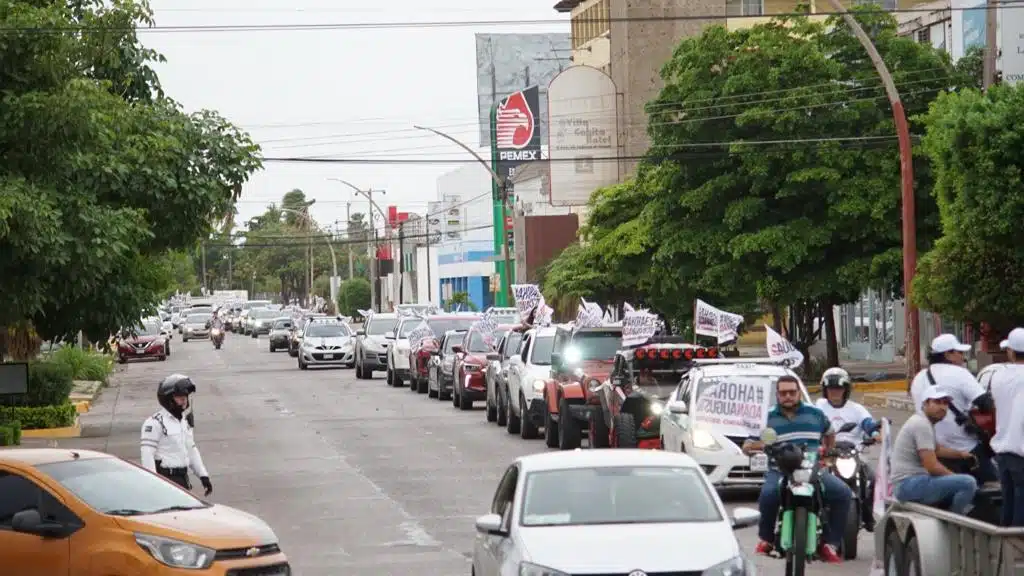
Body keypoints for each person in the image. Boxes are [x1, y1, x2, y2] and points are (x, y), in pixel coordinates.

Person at [743, 374, 851, 563]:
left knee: (843, 493)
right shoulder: (766, 417)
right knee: (768, 496)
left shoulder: (815, 413)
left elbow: (829, 433)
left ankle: (830, 543)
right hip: (780, 470)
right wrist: (755, 447)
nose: (788, 396)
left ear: (799, 393)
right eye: (783, 393)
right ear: (777, 395)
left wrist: (827, 454)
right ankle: (766, 539)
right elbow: (748, 444)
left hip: (812, 469)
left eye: (792, 392)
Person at [909, 334, 996, 485]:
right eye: (960, 352)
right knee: (996, 488)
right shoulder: (960, 373)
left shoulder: (919, 377)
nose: (963, 357)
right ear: (948, 354)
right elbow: (985, 403)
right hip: (964, 447)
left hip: (933, 448)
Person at [891, 387, 978, 515]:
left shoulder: (924, 422)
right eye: (937, 402)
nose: (942, 407)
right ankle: (953, 521)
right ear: (925, 403)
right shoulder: (921, 425)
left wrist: (961, 454)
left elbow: (937, 450)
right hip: (909, 485)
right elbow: (932, 466)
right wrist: (955, 478)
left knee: (961, 480)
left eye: (945, 403)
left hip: (910, 483)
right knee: (968, 483)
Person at [814, 367, 881, 531]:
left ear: (846, 389)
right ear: (825, 389)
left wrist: (875, 434)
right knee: (812, 480)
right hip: (828, 453)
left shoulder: (856, 409)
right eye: (831, 388)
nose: (835, 392)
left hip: (853, 452)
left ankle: (868, 515)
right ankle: (813, 514)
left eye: (839, 388)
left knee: (873, 479)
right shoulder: (818, 407)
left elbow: (868, 424)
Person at [140, 374, 213, 496]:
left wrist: (203, 475)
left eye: (185, 396)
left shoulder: (183, 422)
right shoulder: (155, 423)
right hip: (165, 479)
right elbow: (147, 455)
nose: (184, 400)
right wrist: (153, 483)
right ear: (168, 399)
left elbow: (191, 449)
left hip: (182, 479)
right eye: (179, 397)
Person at [990, 328, 1024, 526]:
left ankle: (1007, 552)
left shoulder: (998, 377)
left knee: (1009, 504)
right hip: (1021, 452)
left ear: (1010, 352)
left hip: (1003, 451)